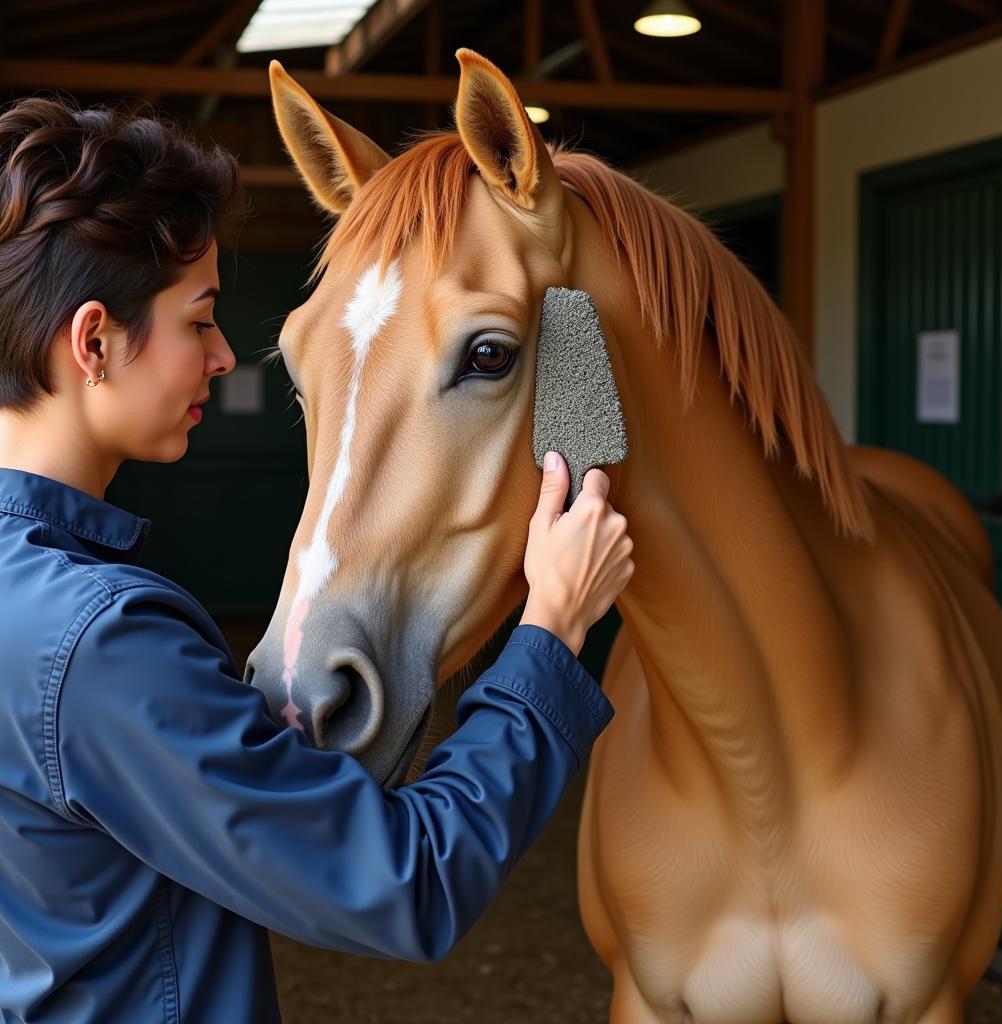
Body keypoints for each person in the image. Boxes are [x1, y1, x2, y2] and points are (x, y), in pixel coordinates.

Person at [0, 97, 634, 1022]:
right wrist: (553, 628)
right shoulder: (94, 645)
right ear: (95, 341)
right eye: (201, 319)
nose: (222, 356)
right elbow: (411, 883)